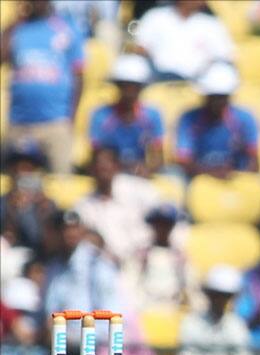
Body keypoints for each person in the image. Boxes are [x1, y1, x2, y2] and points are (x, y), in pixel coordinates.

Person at [1, 0, 84, 174]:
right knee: (10, 179)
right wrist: (16, 21)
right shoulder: (19, 29)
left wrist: (71, 118)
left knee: (61, 179)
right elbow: (2, 56)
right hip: (19, 121)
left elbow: (78, 77)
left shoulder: (67, 28)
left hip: (55, 122)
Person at [73, 146, 162, 264]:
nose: (102, 171)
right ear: (91, 171)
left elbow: (164, 218)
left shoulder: (141, 190)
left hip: (145, 260)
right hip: (107, 267)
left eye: (106, 166)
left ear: (117, 166)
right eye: (98, 167)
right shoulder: (84, 206)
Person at [175, 265, 254, 355]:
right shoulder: (191, 323)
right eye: (217, 295)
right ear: (209, 294)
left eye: (226, 296)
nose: (221, 300)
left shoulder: (236, 326)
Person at [174, 63, 260, 178]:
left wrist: (238, 177)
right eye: (213, 97)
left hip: (235, 180)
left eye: (222, 97)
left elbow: (254, 161)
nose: (217, 102)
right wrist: (212, 173)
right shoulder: (189, 119)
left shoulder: (245, 119)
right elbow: (184, 161)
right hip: (199, 180)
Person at [89, 54, 165, 176]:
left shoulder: (152, 116)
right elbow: (97, 157)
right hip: (111, 176)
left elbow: (158, 157)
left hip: (142, 176)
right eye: (125, 86)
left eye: (134, 86)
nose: (129, 92)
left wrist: (147, 170)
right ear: (118, 86)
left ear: (141, 87)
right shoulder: (101, 115)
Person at [42, 210, 121, 318]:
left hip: (90, 332)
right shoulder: (54, 266)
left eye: (74, 228)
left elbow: (110, 312)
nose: (70, 234)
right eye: (65, 229)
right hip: (60, 331)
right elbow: (50, 309)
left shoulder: (96, 263)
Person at [132, 0, 234, 82]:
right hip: (157, 78)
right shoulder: (155, 16)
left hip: (198, 82)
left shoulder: (211, 23)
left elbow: (225, 56)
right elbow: (140, 48)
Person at [122, 203, 195, 310]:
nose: (163, 229)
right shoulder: (141, 255)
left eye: (167, 225)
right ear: (153, 226)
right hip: (146, 308)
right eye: (159, 224)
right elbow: (129, 285)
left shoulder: (180, 257)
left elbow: (191, 287)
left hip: (172, 309)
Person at [0, 142, 57, 255]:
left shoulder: (46, 204)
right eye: (15, 167)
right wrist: (12, 210)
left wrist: (43, 213)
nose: (20, 172)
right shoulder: (3, 203)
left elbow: (48, 245)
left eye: (27, 168)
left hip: (39, 264)